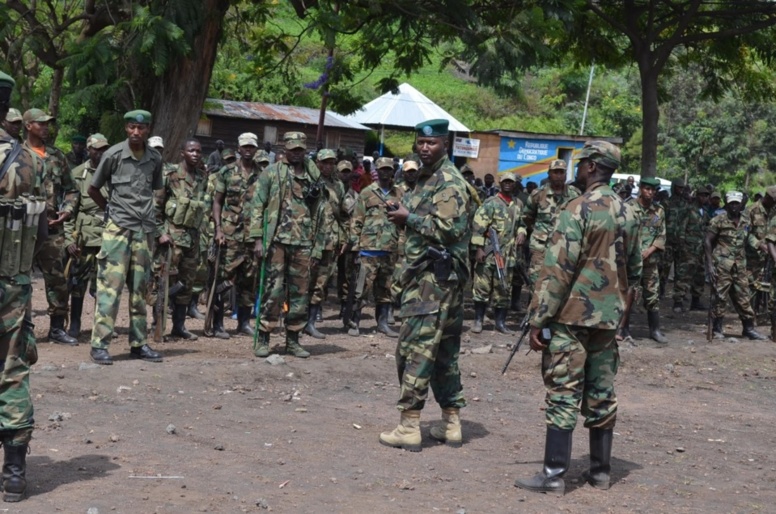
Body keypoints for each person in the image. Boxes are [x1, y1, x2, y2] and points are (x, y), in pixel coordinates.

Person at [515, 141, 641, 496]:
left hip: (571, 318)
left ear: (590, 167)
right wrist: (620, 313)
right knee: (602, 391)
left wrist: (538, 318)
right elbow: (635, 271)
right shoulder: (630, 213)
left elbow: (556, 270)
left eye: (581, 163)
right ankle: (601, 473)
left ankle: (554, 475)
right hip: (609, 318)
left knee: (563, 392)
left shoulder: (576, 208)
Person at [380, 119, 471, 452]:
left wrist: (409, 218)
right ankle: (451, 423)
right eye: (420, 142)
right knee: (445, 355)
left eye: (431, 143)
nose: (424, 148)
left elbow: (449, 229)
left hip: (433, 281)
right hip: (432, 278)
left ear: (444, 143)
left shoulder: (448, 181)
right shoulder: (425, 178)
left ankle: (409, 425)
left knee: (414, 350)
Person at [0, 70, 47, 503]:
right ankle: (13, 473)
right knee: (12, 369)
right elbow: (42, 230)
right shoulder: (31, 160)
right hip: (12, 282)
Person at [87, 109, 164, 365]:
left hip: (144, 231)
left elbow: (154, 190)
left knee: (140, 290)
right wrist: (109, 211)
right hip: (118, 230)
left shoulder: (154, 158)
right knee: (110, 288)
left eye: (141, 128)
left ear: (148, 130)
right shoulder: (113, 155)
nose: (136, 132)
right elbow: (93, 188)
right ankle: (100, 345)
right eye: (132, 127)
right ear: (126, 128)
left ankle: (139, 343)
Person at [250, 131, 326, 358]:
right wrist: (257, 239)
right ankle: (264, 336)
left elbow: (321, 212)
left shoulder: (313, 176)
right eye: (292, 149)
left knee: (300, 294)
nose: (296, 154)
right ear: (285, 150)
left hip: (303, 242)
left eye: (300, 150)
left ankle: (293, 340)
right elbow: (257, 206)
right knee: (273, 293)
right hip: (276, 241)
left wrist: (318, 245)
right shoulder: (272, 173)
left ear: (305, 150)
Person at [23, 108, 79, 346]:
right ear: (28, 126)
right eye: (41, 123)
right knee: (17, 278)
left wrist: (66, 210)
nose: (46, 127)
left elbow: (72, 189)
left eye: (48, 124)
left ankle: (57, 328)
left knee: (57, 279)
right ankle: (19, 329)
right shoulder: (17, 155)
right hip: (22, 228)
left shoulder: (57, 156)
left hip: (53, 228)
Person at [149, 138, 207, 341]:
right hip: (171, 240)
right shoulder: (169, 174)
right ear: (182, 152)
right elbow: (155, 208)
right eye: (191, 150)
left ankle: (179, 326)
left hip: (192, 241)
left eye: (199, 151)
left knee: (186, 285)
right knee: (165, 284)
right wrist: (159, 234)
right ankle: (158, 325)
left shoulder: (202, 177)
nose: (196, 154)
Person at [212, 133, 263, 339]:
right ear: (239, 149)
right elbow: (217, 201)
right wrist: (218, 229)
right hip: (230, 235)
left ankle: (243, 323)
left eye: (252, 147)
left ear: (256, 149)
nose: (248, 150)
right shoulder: (226, 172)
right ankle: (218, 324)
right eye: (245, 147)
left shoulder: (263, 174)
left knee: (249, 282)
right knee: (224, 279)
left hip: (253, 236)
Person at [346, 157, 403, 337]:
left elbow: (404, 224)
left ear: (393, 171)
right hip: (367, 249)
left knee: (386, 288)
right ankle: (354, 322)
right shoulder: (367, 192)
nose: (386, 172)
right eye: (382, 169)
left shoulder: (399, 194)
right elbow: (356, 220)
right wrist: (355, 247)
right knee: (361, 288)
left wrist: (401, 246)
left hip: (390, 249)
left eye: (389, 169)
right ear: (377, 171)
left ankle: (383, 323)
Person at [64, 133, 111, 339]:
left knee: (106, 284)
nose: (100, 153)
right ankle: (75, 324)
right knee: (78, 282)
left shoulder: (114, 172)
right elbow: (68, 212)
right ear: (89, 150)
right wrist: (68, 239)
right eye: (97, 149)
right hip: (85, 237)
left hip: (109, 237)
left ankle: (101, 326)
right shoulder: (77, 174)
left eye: (104, 149)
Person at [705, 191, 767, 341]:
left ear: (741, 205)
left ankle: (748, 329)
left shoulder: (746, 221)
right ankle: (717, 329)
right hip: (722, 265)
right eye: (731, 203)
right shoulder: (718, 220)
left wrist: (760, 245)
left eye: (736, 203)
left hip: (739, 265)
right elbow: (707, 241)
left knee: (743, 297)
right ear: (726, 204)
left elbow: (750, 237)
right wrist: (710, 266)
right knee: (720, 297)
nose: (734, 206)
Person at [470, 172, 525, 333]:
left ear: (515, 184)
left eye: (511, 182)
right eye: (505, 181)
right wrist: (479, 248)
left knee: (503, 289)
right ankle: (478, 320)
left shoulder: (518, 204)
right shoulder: (491, 203)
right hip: (488, 252)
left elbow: (521, 223)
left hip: (508, 254)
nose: (508, 184)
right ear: (500, 183)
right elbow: (478, 226)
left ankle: (500, 322)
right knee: (482, 287)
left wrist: (522, 232)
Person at [620, 177, 668, 344]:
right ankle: (623, 329)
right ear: (641, 189)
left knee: (652, 294)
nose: (650, 192)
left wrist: (650, 250)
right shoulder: (628, 208)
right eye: (647, 189)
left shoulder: (659, 211)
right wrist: (634, 252)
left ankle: (654, 330)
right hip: (631, 260)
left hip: (650, 260)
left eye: (653, 190)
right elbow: (622, 233)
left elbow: (661, 235)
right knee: (628, 293)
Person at [305, 149, 346, 339]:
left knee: (321, 284)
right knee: (303, 282)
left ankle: (311, 323)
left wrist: (344, 237)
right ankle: (296, 320)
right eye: (325, 162)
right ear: (318, 163)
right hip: (310, 240)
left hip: (330, 241)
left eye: (332, 163)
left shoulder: (338, 185)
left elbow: (344, 215)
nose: (328, 166)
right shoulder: (308, 181)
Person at [522, 159, 579, 288]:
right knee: (536, 283)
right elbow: (527, 217)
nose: (558, 175)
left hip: (565, 248)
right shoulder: (538, 194)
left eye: (561, 172)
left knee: (562, 284)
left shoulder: (574, 195)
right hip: (541, 248)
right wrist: (539, 233)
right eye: (555, 172)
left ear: (565, 174)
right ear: (549, 174)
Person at [673, 186, 710, 313]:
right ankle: (678, 301)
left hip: (700, 250)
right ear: (697, 196)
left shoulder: (704, 212)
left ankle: (696, 301)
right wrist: (682, 245)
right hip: (688, 248)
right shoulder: (689, 210)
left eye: (706, 196)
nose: (703, 198)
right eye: (701, 195)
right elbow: (681, 228)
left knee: (699, 275)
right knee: (684, 275)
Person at [659, 179, 687, 297]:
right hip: (668, 242)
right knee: (664, 268)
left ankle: (679, 295)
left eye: (682, 188)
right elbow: (660, 221)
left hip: (681, 242)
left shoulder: (686, 204)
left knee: (680, 270)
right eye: (678, 187)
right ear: (673, 187)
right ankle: (660, 291)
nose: (680, 190)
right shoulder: (666, 203)